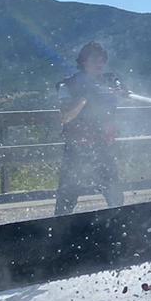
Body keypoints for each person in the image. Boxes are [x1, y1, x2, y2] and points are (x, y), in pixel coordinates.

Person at [54, 42, 128, 215]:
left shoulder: (110, 81)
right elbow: (65, 117)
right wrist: (85, 97)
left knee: (115, 196)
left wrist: (122, 91)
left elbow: (125, 96)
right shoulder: (68, 85)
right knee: (67, 196)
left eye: (102, 60)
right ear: (83, 61)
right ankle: (58, 232)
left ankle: (120, 229)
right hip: (76, 148)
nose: (99, 63)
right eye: (94, 59)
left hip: (103, 148)